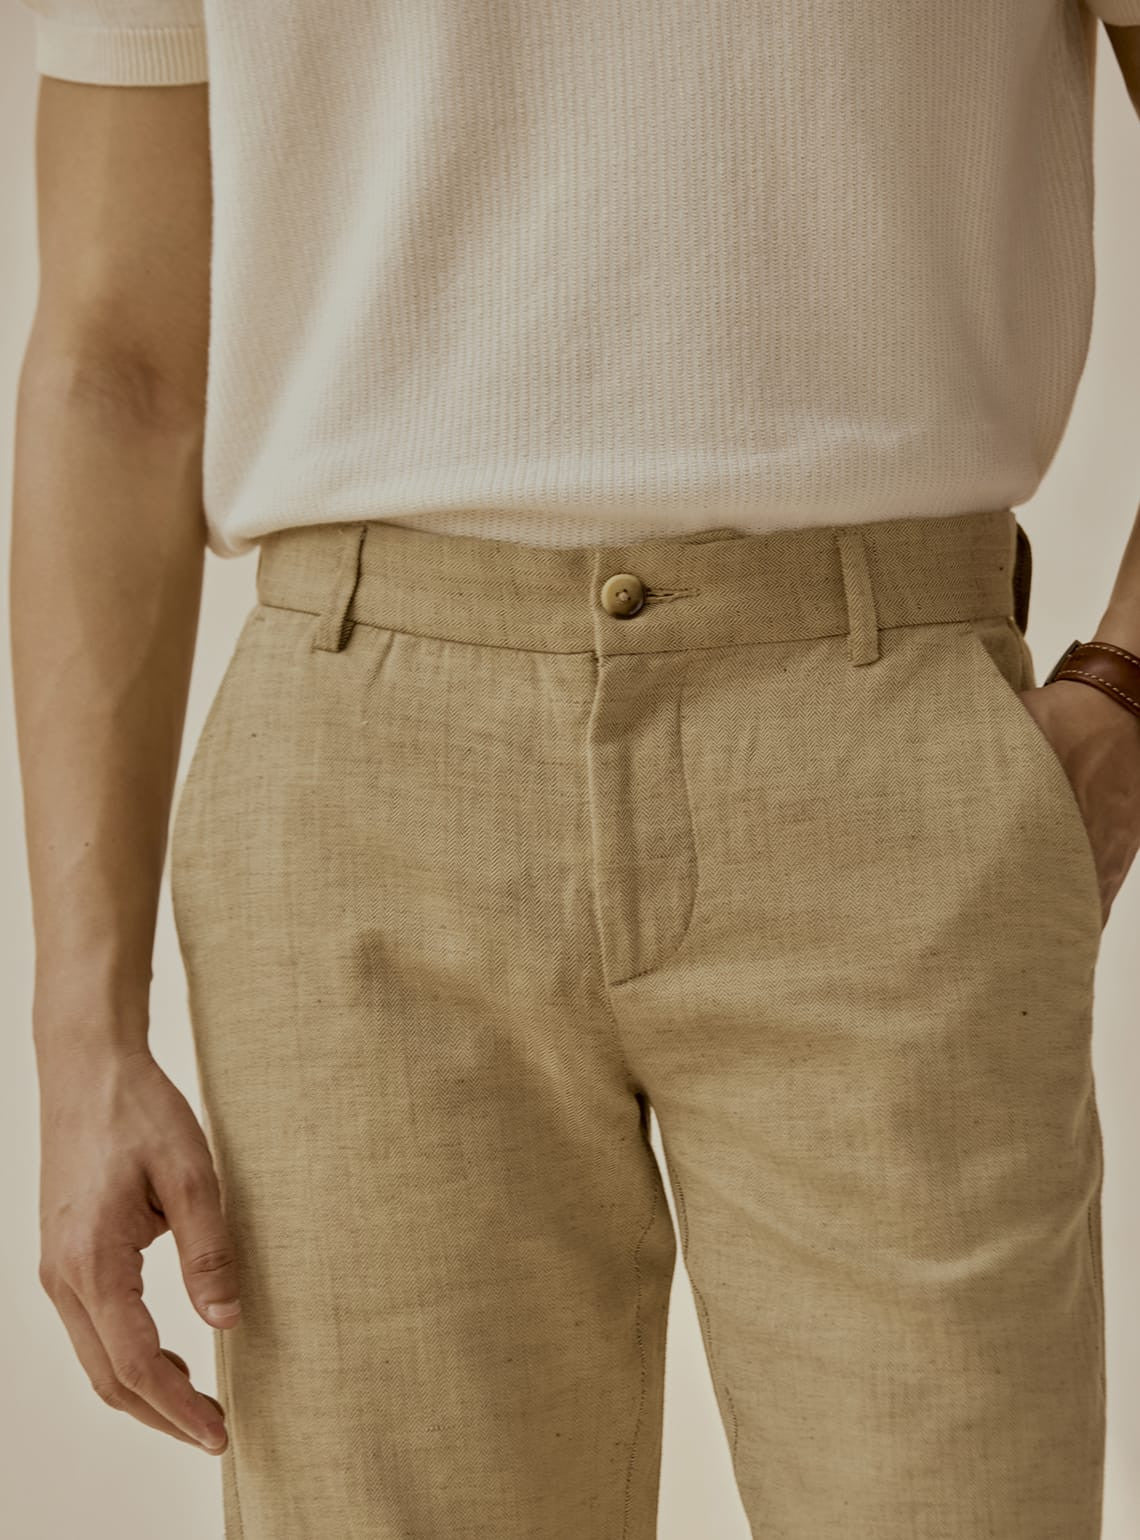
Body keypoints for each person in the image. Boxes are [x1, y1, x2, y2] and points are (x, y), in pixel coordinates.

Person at [10, 3, 1140, 1536]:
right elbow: (116, 362)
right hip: (361, 784)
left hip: (882, 755)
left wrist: (1127, 694)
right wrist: (82, 1034)